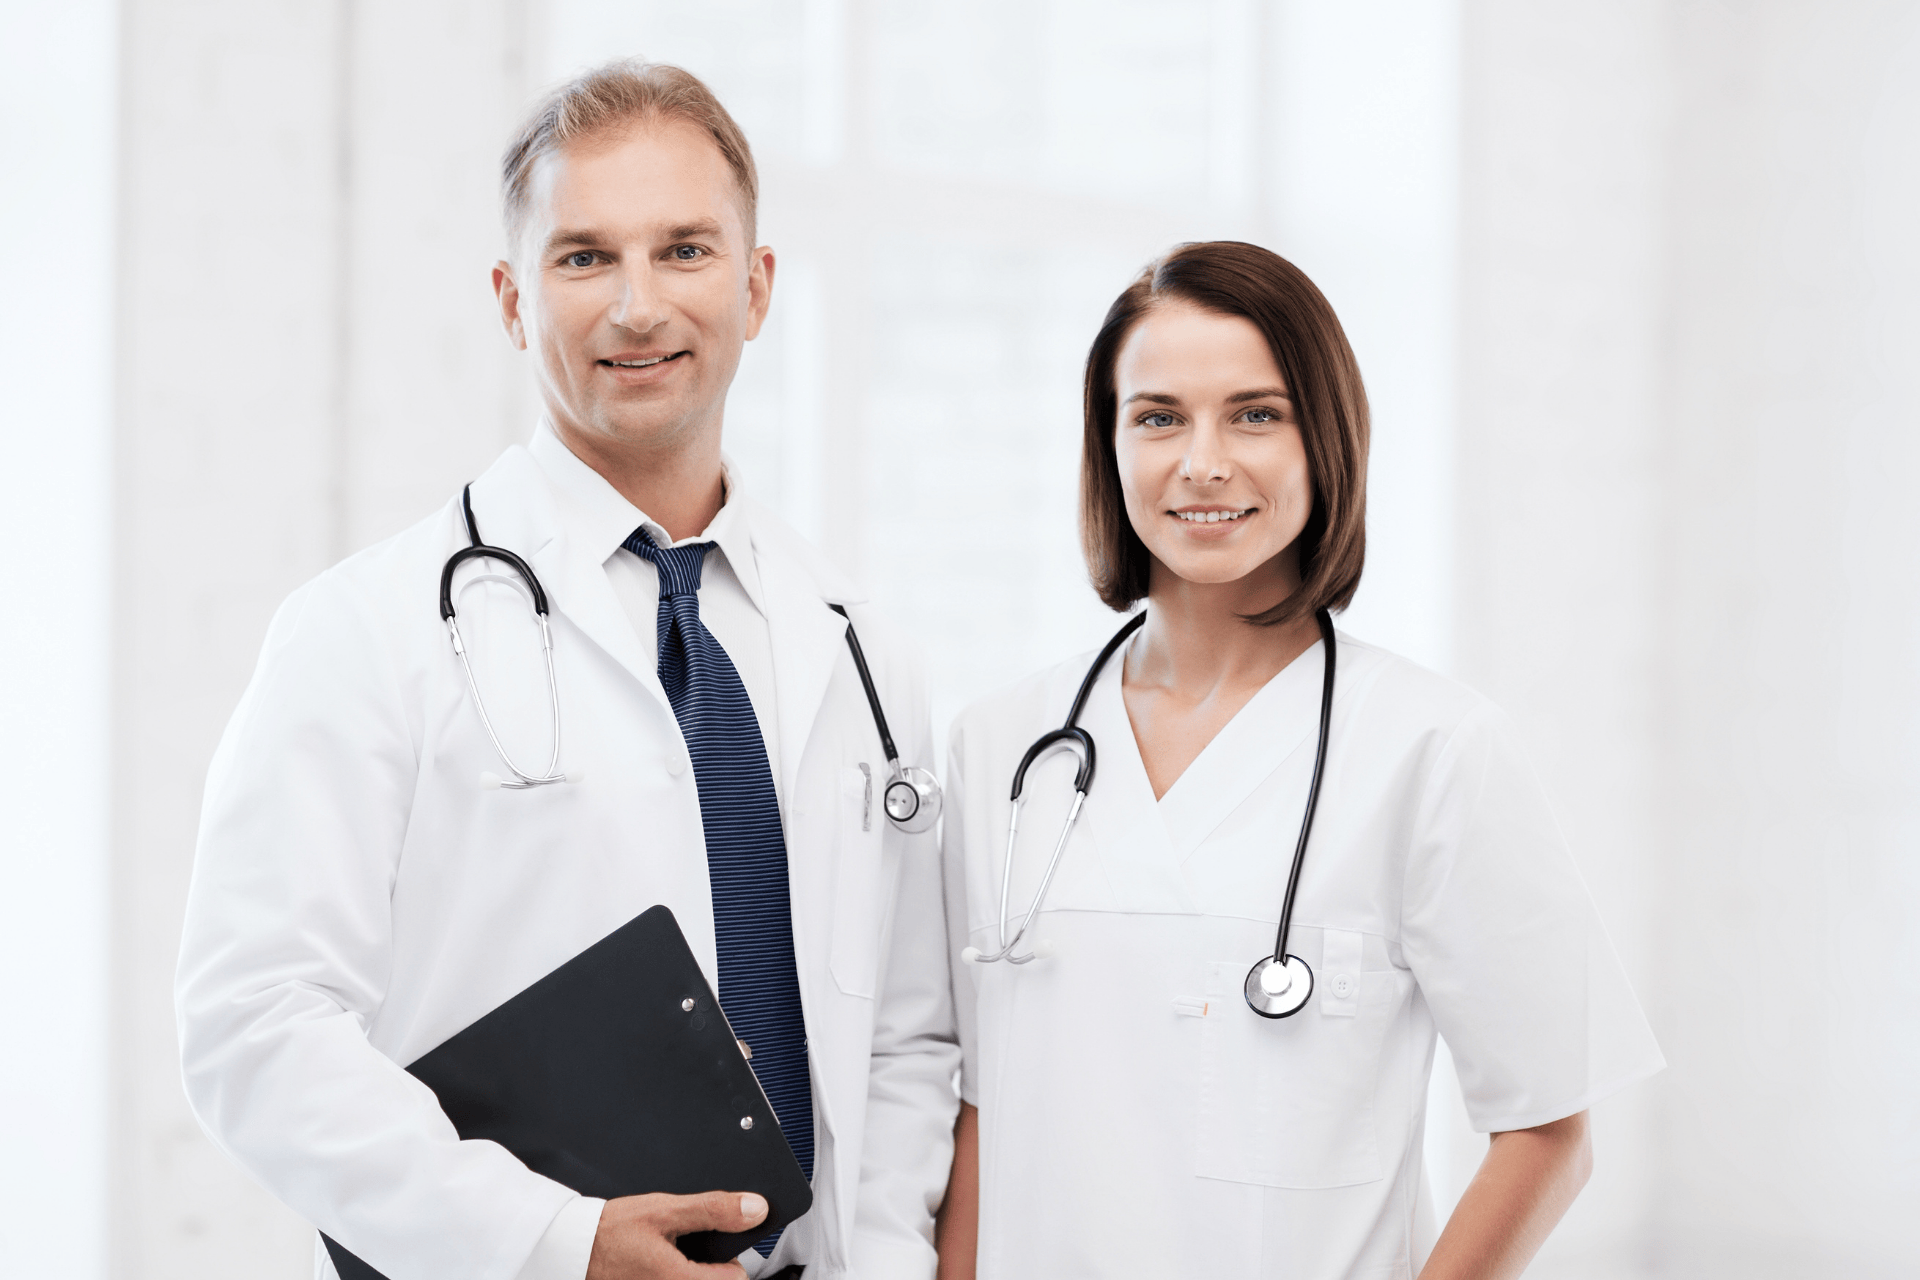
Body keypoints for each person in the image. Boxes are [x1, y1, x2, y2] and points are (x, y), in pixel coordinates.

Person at [176, 60, 957, 1280]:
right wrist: (552, 1240)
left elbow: (907, 1034)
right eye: (584, 257)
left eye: (686, 250)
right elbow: (254, 1025)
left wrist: (894, 1257)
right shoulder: (364, 631)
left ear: (756, 290)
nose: (638, 307)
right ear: (510, 297)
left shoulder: (860, 652)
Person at [933, 241, 1664, 1279]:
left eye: (1255, 413)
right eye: (1158, 416)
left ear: (1324, 440)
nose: (1203, 459)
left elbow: (1548, 1130)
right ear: (1109, 446)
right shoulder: (1004, 746)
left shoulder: (1433, 748)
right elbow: (978, 1107)